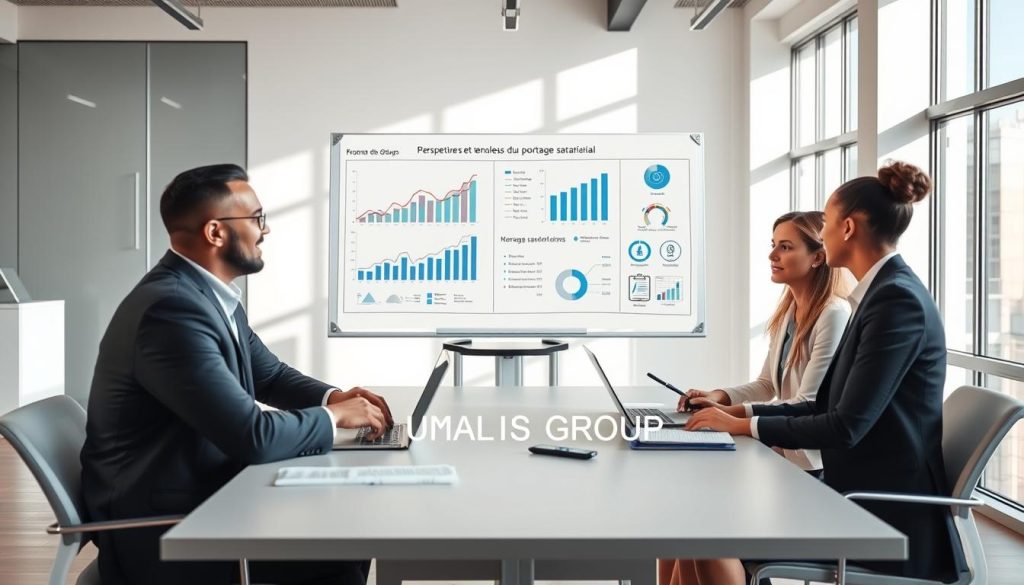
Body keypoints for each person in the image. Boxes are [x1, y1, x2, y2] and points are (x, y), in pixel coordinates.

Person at [81, 164, 391, 585]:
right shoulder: (170, 311)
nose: (265, 231)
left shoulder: (206, 296)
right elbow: (253, 436)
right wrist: (336, 420)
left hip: (207, 500)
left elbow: (270, 375)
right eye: (257, 218)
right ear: (215, 233)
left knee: (348, 531)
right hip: (169, 532)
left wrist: (331, 398)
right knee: (339, 548)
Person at [685, 161, 964, 583]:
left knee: (702, 532)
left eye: (829, 222)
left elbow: (846, 426)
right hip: (855, 491)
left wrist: (743, 426)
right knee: (685, 528)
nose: (825, 231)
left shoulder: (895, 302)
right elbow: (826, 405)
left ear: (848, 228)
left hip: (878, 512)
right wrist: (736, 418)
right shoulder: (879, 296)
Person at [658, 211, 850, 585]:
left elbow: (807, 402)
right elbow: (767, 385)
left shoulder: (833, 313)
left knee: (705, 528)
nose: (772, 255)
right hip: (782, 460)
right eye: (773, 245)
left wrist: (733, 420)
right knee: (678, 519)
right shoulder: (791, 311)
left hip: (814, 475)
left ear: (817, 256)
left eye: (785, 246)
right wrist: (719, 397)